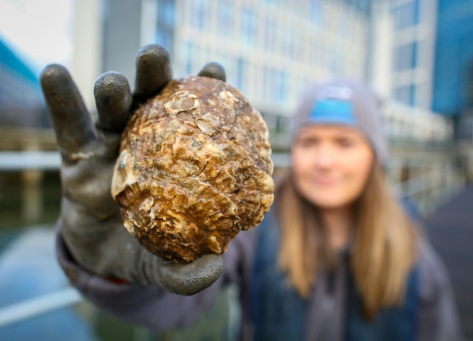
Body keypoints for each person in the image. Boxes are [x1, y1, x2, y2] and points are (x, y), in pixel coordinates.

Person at [41, 44, 462, 340]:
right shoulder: (254, 235)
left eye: (345, 143)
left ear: (376, 158)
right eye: (310, 142)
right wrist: (101, 268)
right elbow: (172, 307)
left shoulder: (414, 253)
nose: (325, 160)